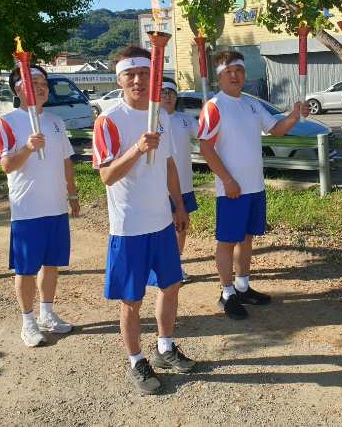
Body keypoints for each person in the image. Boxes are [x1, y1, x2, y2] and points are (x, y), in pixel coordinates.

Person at [93, 46, 196, 396]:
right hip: (129, 227)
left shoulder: (162, 116)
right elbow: (107, 176)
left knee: (171, 286)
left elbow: (168, 165)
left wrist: (178, 206)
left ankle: (165, 347)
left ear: (153, 76)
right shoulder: (108, 120)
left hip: (162, 223)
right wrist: (136, 148)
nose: (137, 80)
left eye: (143, 74)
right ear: (119, 79)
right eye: (129, 75)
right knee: (131, 300)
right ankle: (136, 361)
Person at [198, 51, 309, 320]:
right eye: (228, 72)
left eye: (239, 70)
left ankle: (243, 287)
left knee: (246, 239)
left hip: (254, 187)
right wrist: (227, 180)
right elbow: (206, 148)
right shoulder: (214, 106)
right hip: (232, 189)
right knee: (227, 242)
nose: (234, 76)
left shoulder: (252, 104)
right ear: (220, 76)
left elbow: (277, 129)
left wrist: (294, 115)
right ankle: (226, 295)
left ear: (244, 74)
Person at [0, 65, 80, 348]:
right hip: (27, 208)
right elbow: (7, 165)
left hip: (55, 205)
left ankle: (47, 314)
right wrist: (28, 148)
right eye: (34, 83)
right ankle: (28, 322)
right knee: (26, 268)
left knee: (51, 263)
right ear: (18, 89)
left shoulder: (56, 121)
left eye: (44, 82)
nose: (42, 87)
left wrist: (73, 194)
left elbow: (66, 159)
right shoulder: (7, 123)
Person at [159, 78, 200, 282]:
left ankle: (176, 264)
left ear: (176, 97)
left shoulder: (185, 120)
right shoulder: (150, 120)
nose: (167, 96)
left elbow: (206, 132)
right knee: (161, 227)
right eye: (163, 92)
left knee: (181, 225)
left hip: (183, 183)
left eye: (171, 93)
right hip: (157, 186)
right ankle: (161, 265)